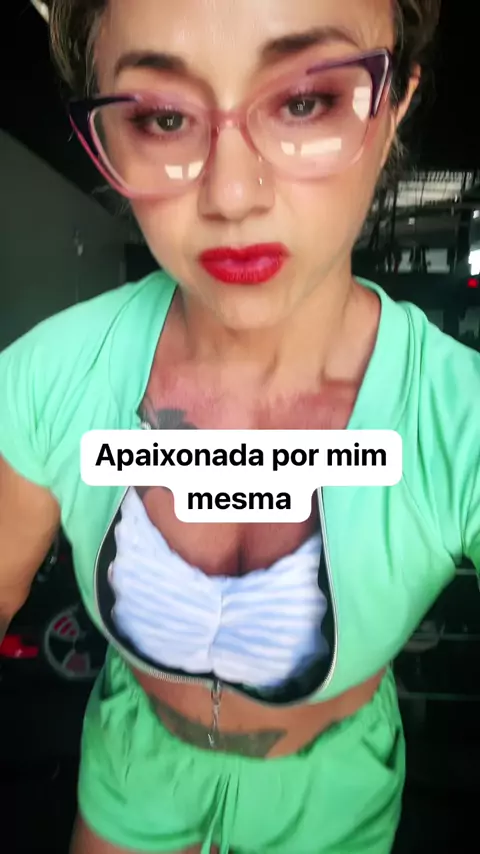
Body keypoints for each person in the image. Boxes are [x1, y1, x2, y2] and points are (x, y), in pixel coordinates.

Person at [3, 1, 478, 852]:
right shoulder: (48, 376)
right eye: (162, 117)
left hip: (335, 792)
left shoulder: (458, 418)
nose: (231, 196)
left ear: (395, 104)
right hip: (132, 765)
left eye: (305, 102)